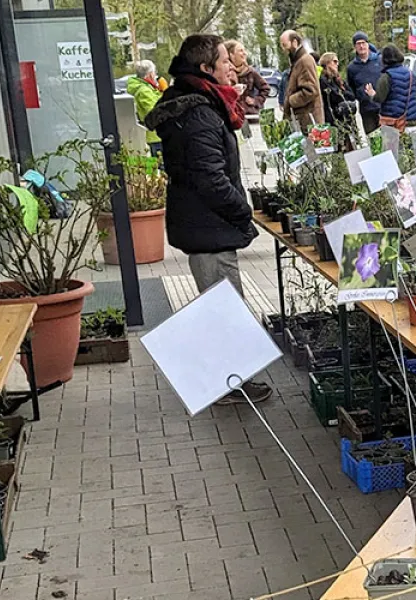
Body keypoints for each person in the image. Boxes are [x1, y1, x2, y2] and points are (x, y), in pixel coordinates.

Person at [144, 33, 270, 405]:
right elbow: (210, 178)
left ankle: (230, 380)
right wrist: (243, 209)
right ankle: (230, 385)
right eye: (224, 61)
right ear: (205, 69)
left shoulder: (200, 105)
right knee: (224, 309)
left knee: (221, 306)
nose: (232, 66)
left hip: (206, 225)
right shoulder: (198, 112)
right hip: (209, 227)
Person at [364, 45, 416, 132]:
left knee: (391, 146)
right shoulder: (411, 74)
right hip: (410, 121)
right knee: (410, 145)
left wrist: (372, 94)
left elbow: (379, 98)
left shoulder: (387, 77)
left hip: (393, 123)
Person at [279, 29, 324, 129]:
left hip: (308, 120)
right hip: (304, 119)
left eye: (285, 45)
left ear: (294, 42)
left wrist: (291, 100)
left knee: (311, 144)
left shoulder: (304, 61)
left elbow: (311, 91)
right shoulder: (298, 61)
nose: (283, 49)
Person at [347, 31, 383, 134]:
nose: (361, 46)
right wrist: (361, 96)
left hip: (382, 107)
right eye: (358, 44)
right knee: (373, 139)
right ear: (355, 47)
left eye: (363, 43)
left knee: (387, 139)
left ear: (368, 44)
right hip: (366, 109)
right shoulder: (352, 68)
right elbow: (351, 87)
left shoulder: (380, 61)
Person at [126, 60, 164, 157]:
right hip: (154, 135)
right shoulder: (144, 91)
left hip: (156, 134)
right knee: (158, 165)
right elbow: (154, 111)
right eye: (155, 72)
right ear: (150, 74)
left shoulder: (149, 88)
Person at [224, 40, 270, 116]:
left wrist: (255, 101)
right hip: (232, 115)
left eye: (244, 50)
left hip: (249, 115)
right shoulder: (225, 72)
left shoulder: (250, 71)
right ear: (231, 54)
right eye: (241, 51)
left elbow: (266, 88)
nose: (245, 53)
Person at [319, 52, 356, 126]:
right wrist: (343, 93)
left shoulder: (337, 79)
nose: (337, 64)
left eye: (337, 62)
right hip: (333, 118)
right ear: (327, 63)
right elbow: (336, 96)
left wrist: (342, 92)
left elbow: (352, 95)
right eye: (335, 61)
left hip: (345, 118)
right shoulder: (323, 79)